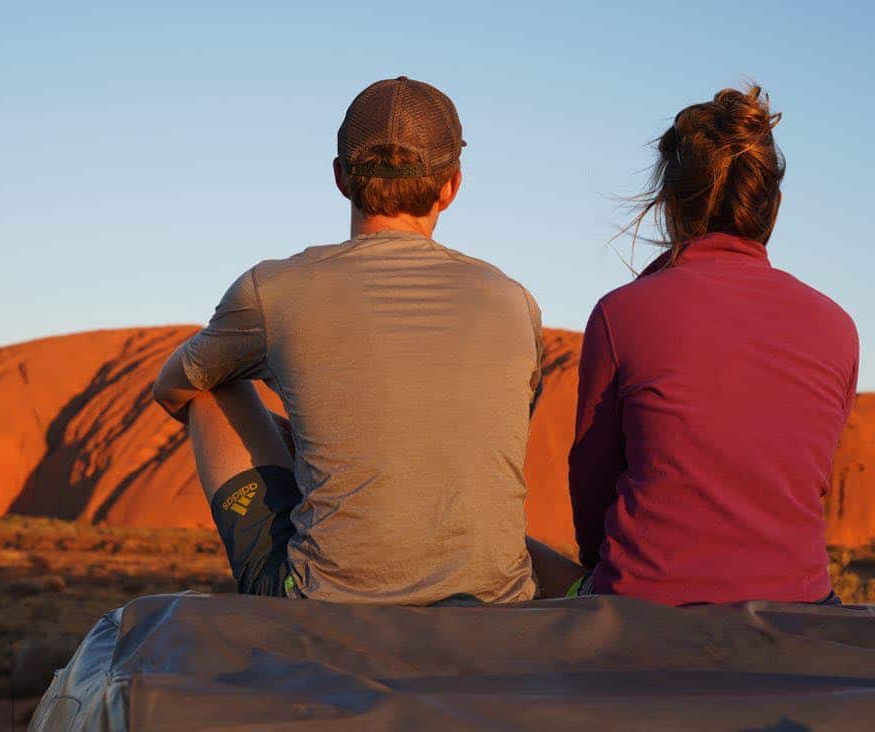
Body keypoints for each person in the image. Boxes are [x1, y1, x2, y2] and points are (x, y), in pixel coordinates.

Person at [153, 77, 545, 605]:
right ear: (451, 185)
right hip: (497, 605)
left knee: (209, 387)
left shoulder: (272, 290)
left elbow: (172, 387)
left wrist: (286, 437)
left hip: (327, 606)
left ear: (340, 177)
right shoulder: (514, 301)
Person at [565, 85, 859, 606]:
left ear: (670, 203)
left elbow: (591, 501)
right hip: (800, 609)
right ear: (774, 204)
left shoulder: (620, 314)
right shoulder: (838, 327)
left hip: (640, 609)